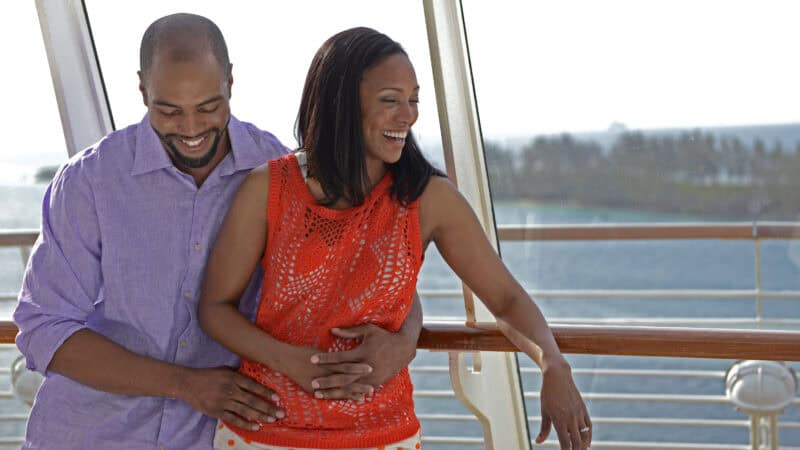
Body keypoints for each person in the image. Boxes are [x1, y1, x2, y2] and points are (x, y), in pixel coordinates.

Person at [13, 14, 421, 450]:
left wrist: (404, 342)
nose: (191, 129)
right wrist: (187, 385)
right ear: (142, 90)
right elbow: (44, 327)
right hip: (86, 436)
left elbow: (376, 271)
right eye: (168, 111)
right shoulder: (88, 181)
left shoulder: (285, 175)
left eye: (209, 107)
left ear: (230, 82)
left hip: (214, 439)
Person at [199, 27, 592, 450]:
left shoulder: (430, 199)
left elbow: (506, 300)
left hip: (384, 436)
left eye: (413, 100)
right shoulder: (268, 188)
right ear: (342, 105)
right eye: (390, 101)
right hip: (265, 432)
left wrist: (553, 365)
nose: (408, 116)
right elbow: (215, 308)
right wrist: (291, 362)